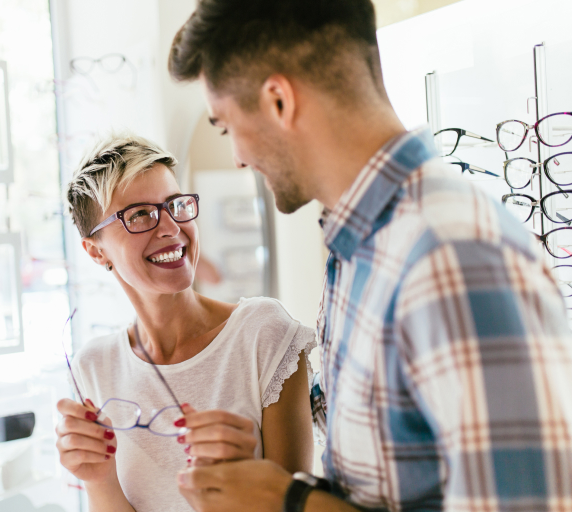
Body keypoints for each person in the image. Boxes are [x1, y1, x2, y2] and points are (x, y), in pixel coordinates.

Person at [168, 1, 572, 511]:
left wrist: (290, 502)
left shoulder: (451, 257)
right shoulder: (360, 251)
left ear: (278, 101)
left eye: (226, 126)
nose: (238, 158)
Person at [55, 134, 317, 512]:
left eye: (175, 205)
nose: (170, 228)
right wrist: (97, 480)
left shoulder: (263, 333)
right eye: (140, 214)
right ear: (96, 251)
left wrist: (241, 486)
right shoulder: (92, 368)